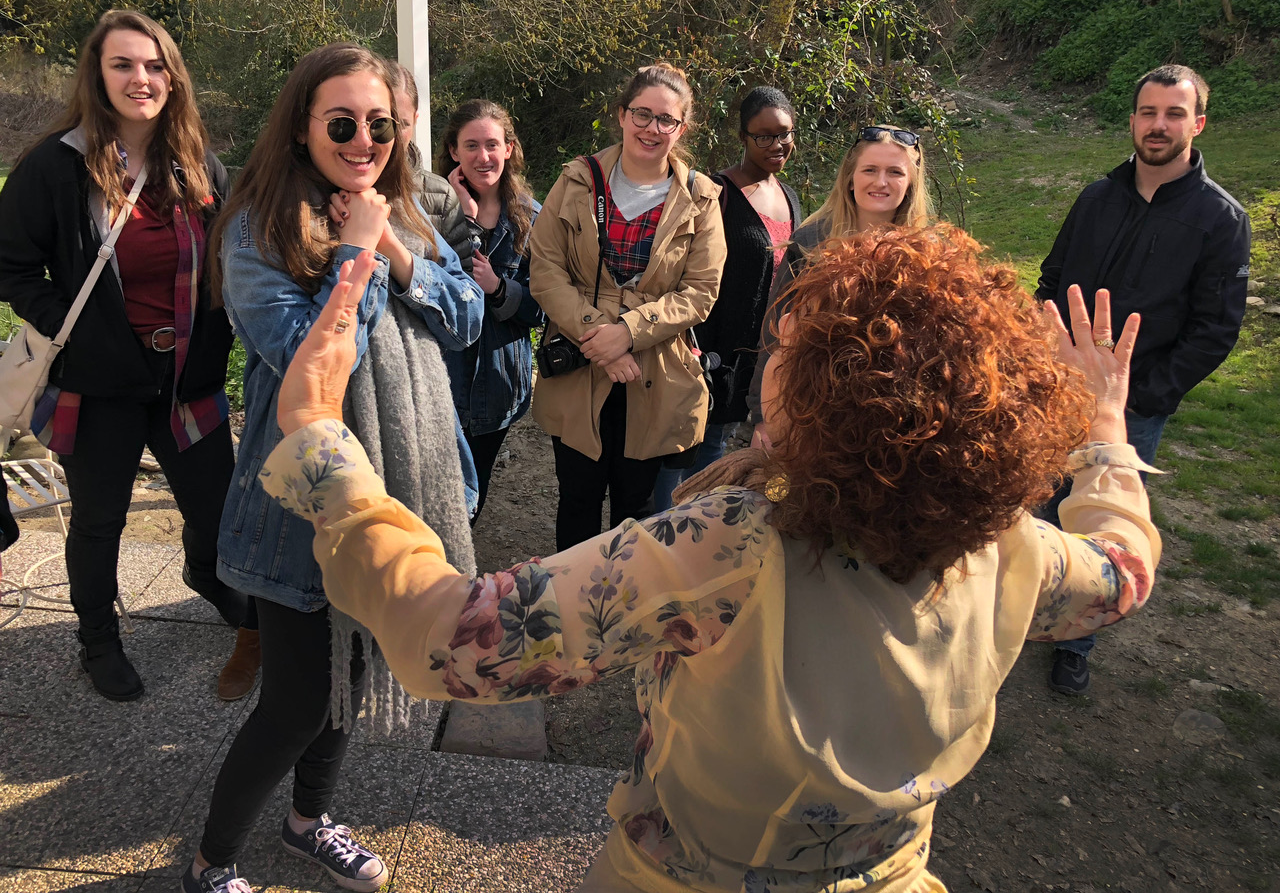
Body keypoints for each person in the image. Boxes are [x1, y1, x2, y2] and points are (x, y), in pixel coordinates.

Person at [262, 224, 1159, 892]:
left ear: (828, 411)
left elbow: (452, 641)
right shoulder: (1005, 543)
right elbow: (1119, 574)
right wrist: (1104, 438)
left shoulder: (734, 543)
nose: (771, 365)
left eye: (797, 356)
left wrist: (318, 440)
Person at [184, 43, 483, 893]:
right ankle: (213, 860)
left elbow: (465, 317)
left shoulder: (411, 208)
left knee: (354, 675)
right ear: (301, 127)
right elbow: (307, 358)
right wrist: (356, 254)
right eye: (342, 124)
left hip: (400, 485)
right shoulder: (255, 228)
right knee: (297, 701)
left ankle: (309, 819)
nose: (364, 141)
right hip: (301, 502)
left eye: (380, 125)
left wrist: (390, 245)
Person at [0, 9, 254, 702]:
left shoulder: (201, 168)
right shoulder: (55, 167)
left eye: (153, 65)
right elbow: (13, 267)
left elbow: (233, 266)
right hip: (99, 386)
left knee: (215, 509)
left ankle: (204, 575)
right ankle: (98, 640)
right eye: (123, 64)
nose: (140, 78)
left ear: (172, 78)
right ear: (98, 73)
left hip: (189, 382)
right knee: (100, 518)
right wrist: (73, 330)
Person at [1036, 63, 1250, 696]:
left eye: (1174, 114)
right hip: (1057, 390)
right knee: (1041, 504)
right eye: (1149, 113)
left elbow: (1216, 329)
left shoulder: (1220, 218)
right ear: (1132, 120)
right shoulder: (1097, 198)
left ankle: (1074, 640)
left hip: (1134, 407)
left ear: (1198, 123)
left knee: (1105, 523)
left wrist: (1146, 397)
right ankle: (1024, 609)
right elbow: (1051, 277)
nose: (1159, 126)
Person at [528, 62, 727, 550]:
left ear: (681, 129)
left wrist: (631, 332)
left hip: (654, 372)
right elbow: (546, 269)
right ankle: (570, 611)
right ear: (621, 115)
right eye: (642, 114)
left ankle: (621, 615)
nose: (652, 129)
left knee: (636, 510)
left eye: (666, 120)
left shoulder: (700, 198)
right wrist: (602, 338)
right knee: (576, 499)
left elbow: (701, 289)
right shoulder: (577, 181)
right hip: (581, 365)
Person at [651, 86, 801, 509]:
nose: (776, 145)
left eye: (784, 134)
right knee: (690, 450)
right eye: (763, 136)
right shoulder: (717, 193)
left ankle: (696, 543)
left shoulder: (789, 196)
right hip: (709, 349)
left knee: (722, 447)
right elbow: (686, 270)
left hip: (759, 353)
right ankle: (666, 541)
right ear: (743, 137)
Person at [745, 123, 933, 446]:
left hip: (893, 426)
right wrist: (764, 419)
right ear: (850, 177)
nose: (881, 182)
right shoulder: (810, 244)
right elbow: (774, 335)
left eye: (895, 173)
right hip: (813, 417)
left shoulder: (926, 256)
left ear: (912, 182)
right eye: (870, 169)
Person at [436, 99, 545, 520]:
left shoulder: (534, 219)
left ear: (509, 149)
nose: (484, 157)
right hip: (442, 378)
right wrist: (463, 219)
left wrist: (500, 290)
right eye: (471, 146)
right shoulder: (429, 210)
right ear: (453, 151)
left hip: (498, 383)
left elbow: (543, 307)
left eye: (493, 144)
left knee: (470, 498)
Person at [385, 61, 473, 263]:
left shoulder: (442, 197)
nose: (394, 136)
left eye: (403, 124)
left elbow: (463, 286)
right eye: (384, 122)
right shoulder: (335, 186)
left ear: (416, 120)